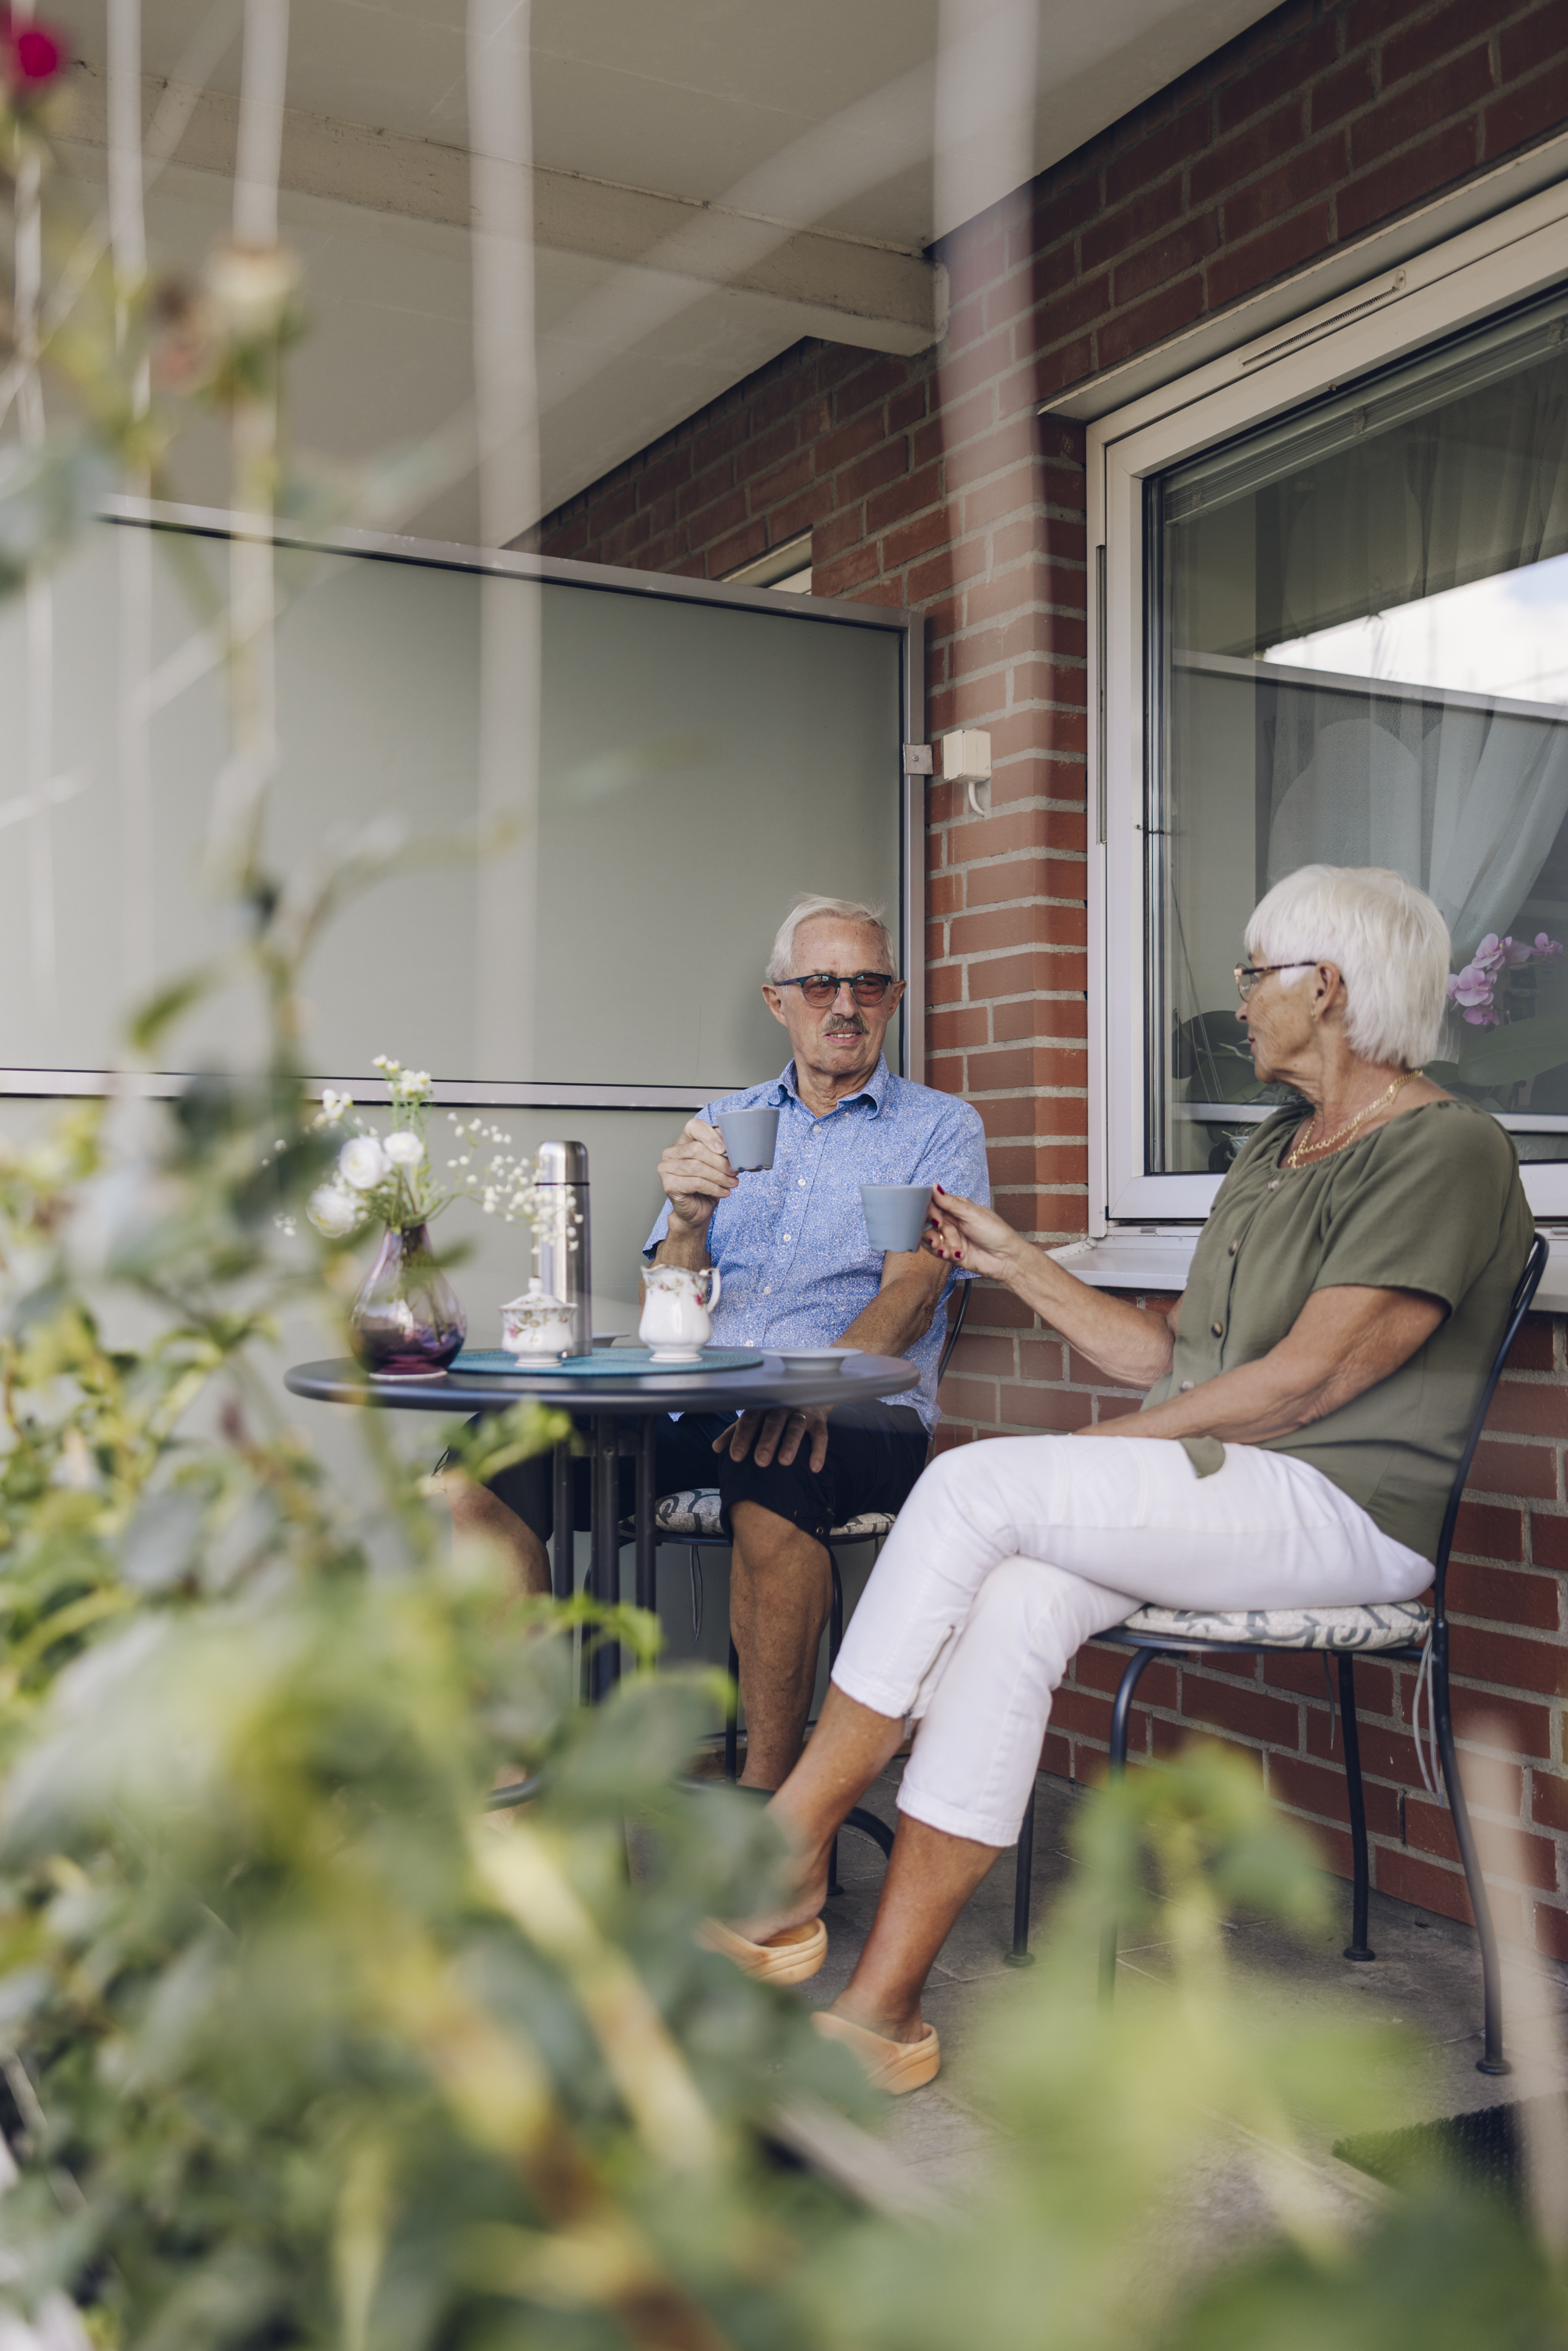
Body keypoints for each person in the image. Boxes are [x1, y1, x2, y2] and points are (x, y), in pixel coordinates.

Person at [719, 865, 1534, 2093]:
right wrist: (1019, 1264)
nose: (1241, 998)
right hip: (1228, 1483)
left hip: (1344, 1510)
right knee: (1013, 1601)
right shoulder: (1275, 1149)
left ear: (1328, 987)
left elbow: (1303, 1384)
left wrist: (1076, 1458)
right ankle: (884, 2003)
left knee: (973, 1489)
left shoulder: (1444, 1148)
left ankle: (787, 1842)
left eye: (1256, 973)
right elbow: (1177, 1365)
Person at [449, 892, 989, 1789]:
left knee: (774, 1467)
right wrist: (690, 1221)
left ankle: (768, 1809)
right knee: (480, 1472)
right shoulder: (723, 1120)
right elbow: (672, 1296)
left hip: (862, 1409)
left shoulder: (938, 1128)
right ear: (779, 1001)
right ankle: (524, 1777)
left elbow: (916, 1291)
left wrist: (816, 1391)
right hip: (700, 1407)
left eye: (866, 984)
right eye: (820, 984)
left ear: (894, 997)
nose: (844, 1005)